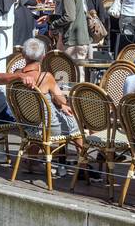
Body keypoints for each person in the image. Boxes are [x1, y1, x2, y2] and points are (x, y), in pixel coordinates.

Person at [17, 37, 87, 175]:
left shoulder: (16, 75)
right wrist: (64, 103)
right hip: (48, 128)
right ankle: (83, 168)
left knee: (41, 116)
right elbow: (61, 99)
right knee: (77, 125)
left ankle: (32, 160)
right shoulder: (46, 77)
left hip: (28, 125)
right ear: (43, 56)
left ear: (24, 55)